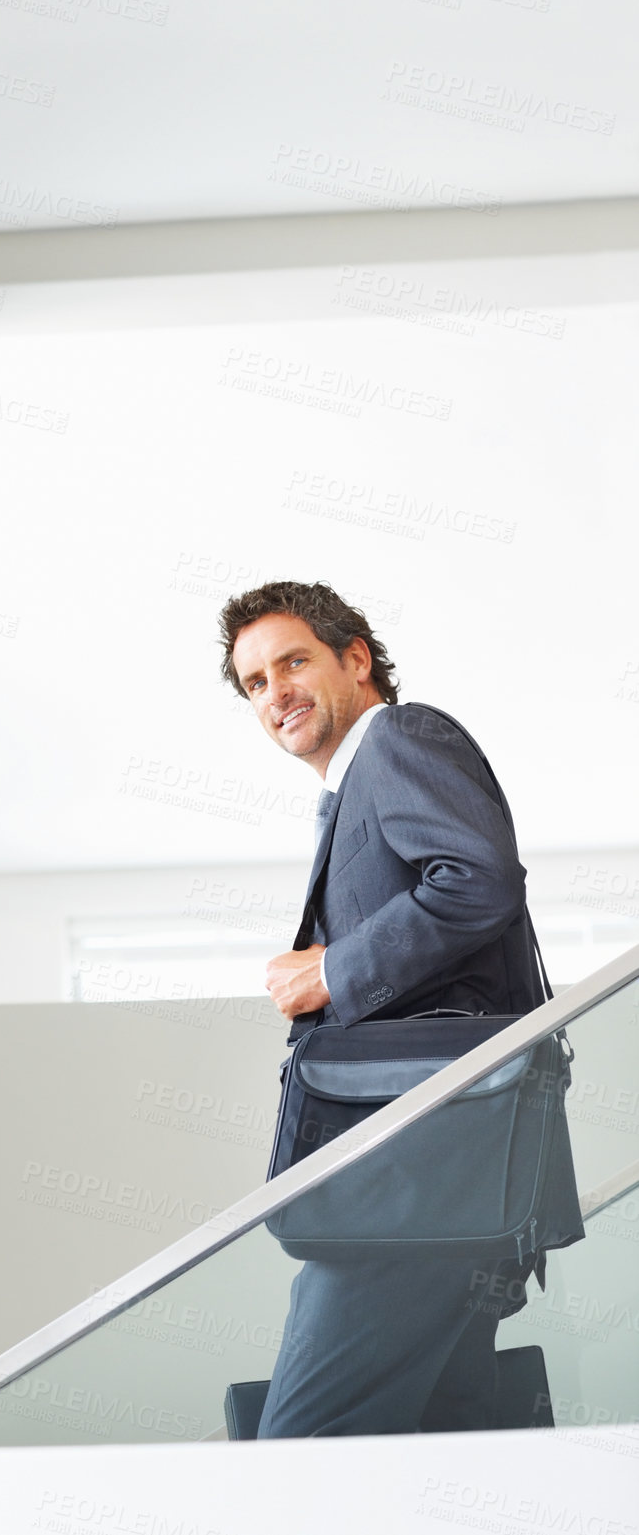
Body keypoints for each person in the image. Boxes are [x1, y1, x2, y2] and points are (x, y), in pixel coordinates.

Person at [217, 579, 574, 1436]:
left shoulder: (400, 738)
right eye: (255, 683)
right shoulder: (349, 793)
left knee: (302, 1444)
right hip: (445, 1183)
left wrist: (332, 971)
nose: (276, 693)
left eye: (293, 661)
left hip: (421, 1183)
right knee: (444, 1456)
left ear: (355, 658)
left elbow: (477, 881)